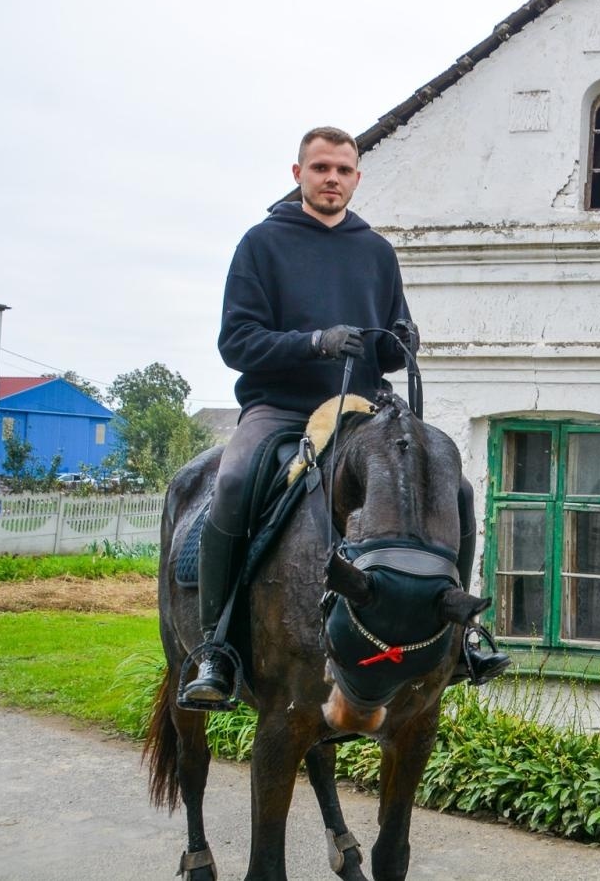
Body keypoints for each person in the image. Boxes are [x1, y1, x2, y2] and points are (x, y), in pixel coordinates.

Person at [181, 126, 493, 704]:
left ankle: (461, 637)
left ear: (356, 177)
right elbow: (237, 343)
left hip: (361, 413)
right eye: (321, 168)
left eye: (343, 170)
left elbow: (385, 352)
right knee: (231, 483)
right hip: (280, 408)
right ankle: (214, 649)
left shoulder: (375, 250)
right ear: (298, 173)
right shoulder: (262, 243)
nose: (333, 179)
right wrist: (314, 343)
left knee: (458, 489)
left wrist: (400, 342)